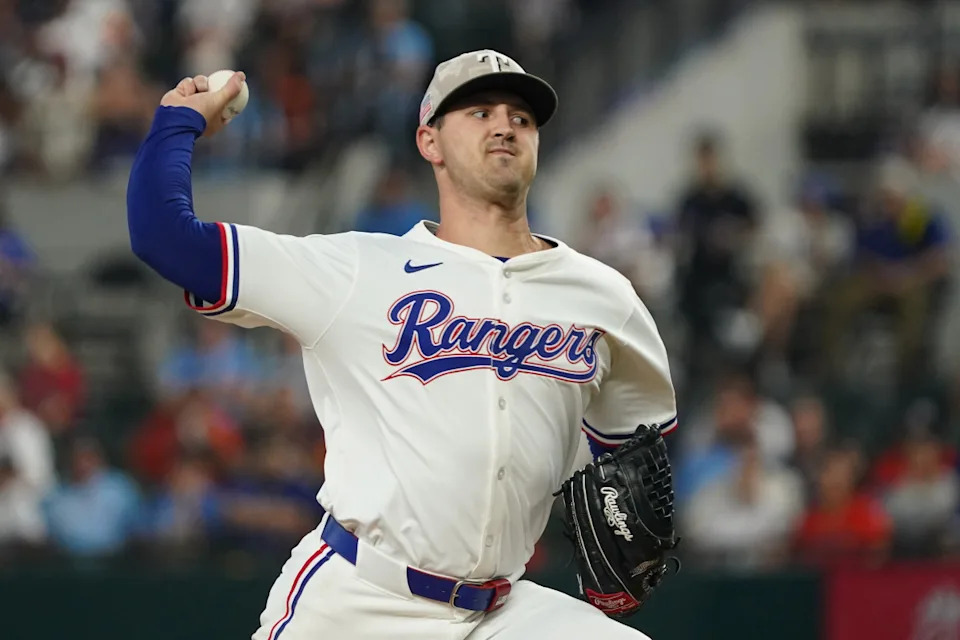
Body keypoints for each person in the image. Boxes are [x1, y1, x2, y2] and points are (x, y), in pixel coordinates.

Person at [127, 50, 677, 640]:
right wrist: (177, 123)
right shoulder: (359, 271)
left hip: (502, 610)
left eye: (521, 117)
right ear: (429, 142)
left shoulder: (602, 297)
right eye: (479, 111)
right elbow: (167, 240)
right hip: (362, 600)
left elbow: (636, 451)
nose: (504, 125)